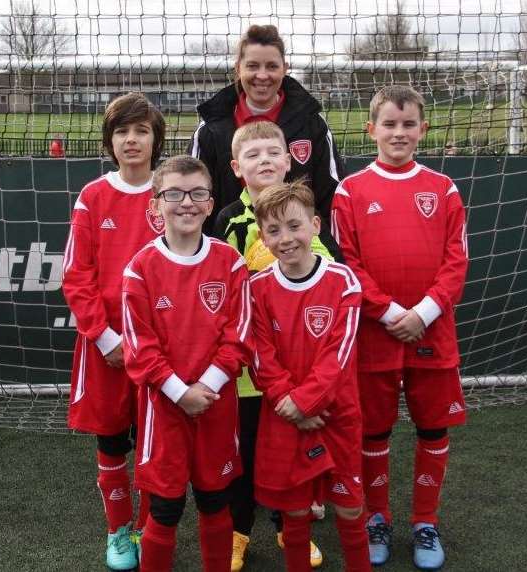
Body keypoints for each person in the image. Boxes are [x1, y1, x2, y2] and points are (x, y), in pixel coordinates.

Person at [330, 85, 469, 570]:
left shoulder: (444, 189)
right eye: (389, 124)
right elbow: (348, 264)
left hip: (433, 333)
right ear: (371, 130)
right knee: (375, 431)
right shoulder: (350, 191)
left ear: (423, 130)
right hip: (375, 334)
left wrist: (424, 314)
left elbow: (457, 261)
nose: (399, 132)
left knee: (433, 427)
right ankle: (377, 517)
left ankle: (425, 521)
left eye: (408, 124)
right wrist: (390, 314)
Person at [121, 155, 250, 571]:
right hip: (164, 408)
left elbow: (240, 336)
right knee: (166, 508)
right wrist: (180, 392)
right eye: (173, 194)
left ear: (211, 204)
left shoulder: (230, 263)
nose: (186, 203)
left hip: (215, 405)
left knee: (215, 500)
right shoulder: (139, 269)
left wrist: (205, 389)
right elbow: (140, 348)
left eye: (197, 194)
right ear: (156, 204)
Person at [215, 121, 328, 571]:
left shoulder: (307, 217)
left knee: (289, 455)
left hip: (297, 369)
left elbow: (335, 278)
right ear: (236, 167)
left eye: (272, 152)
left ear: (289, 159)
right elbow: (218, 288)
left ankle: (290, 529)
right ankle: (238, 533)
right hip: (247, 374)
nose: (264, 160)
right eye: (253, 153)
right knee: (242, 457)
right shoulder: (229, 220)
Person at [61, 92, 166, 571]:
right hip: (104, 345)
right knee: (110, 440)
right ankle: (119, 530)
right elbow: (76, 276)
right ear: (110, 140)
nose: (131, 139)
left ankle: (151, 526)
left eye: (141, 131)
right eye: (122, 131)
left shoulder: (170, 194)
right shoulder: (93, 196)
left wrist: (150, 343)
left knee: (153, 440)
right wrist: (105, 338)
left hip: (160, 349)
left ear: (155, 140)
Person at [249, 181, 371, 572]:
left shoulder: (343, 282)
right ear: (263, 237)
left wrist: (303, 403)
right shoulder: (257, 289)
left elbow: (338, 355)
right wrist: (292, 405)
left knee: (350, 509)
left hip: (337, 416)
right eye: (273, 230)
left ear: (315, 225)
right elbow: (260, 356)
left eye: (294, 226)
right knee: (295, 512)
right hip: (286, 418)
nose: (286, 239)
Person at [189, 23, 344, 250]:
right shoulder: (211, 128)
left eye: (272, 66)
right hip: (230, 250)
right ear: (238, 68)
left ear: (285, 68)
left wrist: (324, 254)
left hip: (298, 253)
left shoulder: (311, 123)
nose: (262, 75)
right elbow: (195, 195)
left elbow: (332, 196)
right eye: (252, 66)